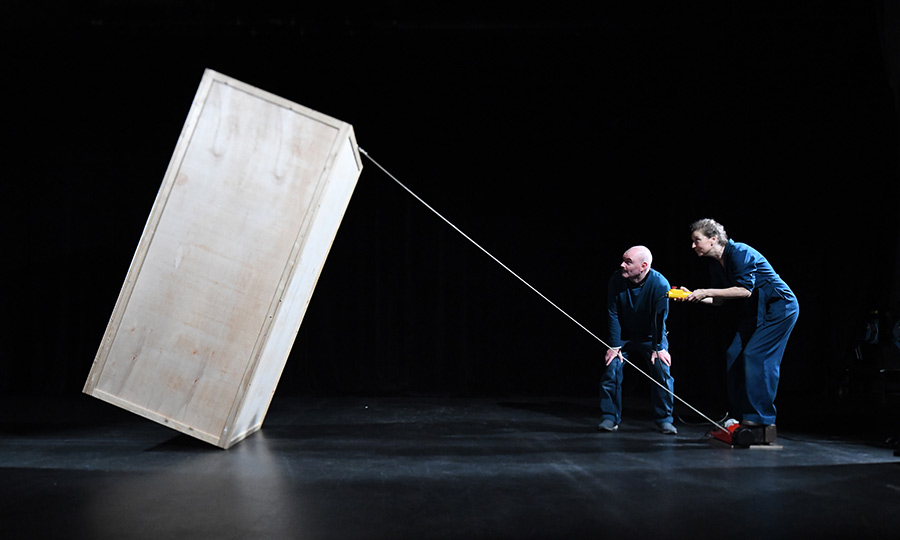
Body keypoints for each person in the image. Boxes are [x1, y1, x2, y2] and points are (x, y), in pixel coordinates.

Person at [677, 218, 799, 427]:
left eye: (697, 240)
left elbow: (744, 290)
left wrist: (705, 291)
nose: (693, 245)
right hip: (757, 311)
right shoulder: (715, 264)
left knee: (756, 355)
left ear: (713, 239)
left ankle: (761, 418)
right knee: (733, 355)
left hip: (779, 308)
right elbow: (718, 300)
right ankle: (739, 413)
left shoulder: (740, 252)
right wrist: (693, 296)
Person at [599, 246, 677, 434]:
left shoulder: (660, 284)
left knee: (662, 369)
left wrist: (658, 347)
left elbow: (660, 319)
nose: (622, 265)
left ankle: (665, 419)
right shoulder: (617, 279)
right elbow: (613, 313)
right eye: (623, 260)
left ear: (643, 266)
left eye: (628, 262)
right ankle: (610, 417)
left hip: (652, 337)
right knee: (612, 367)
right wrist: (614, 345)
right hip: (624, 336)